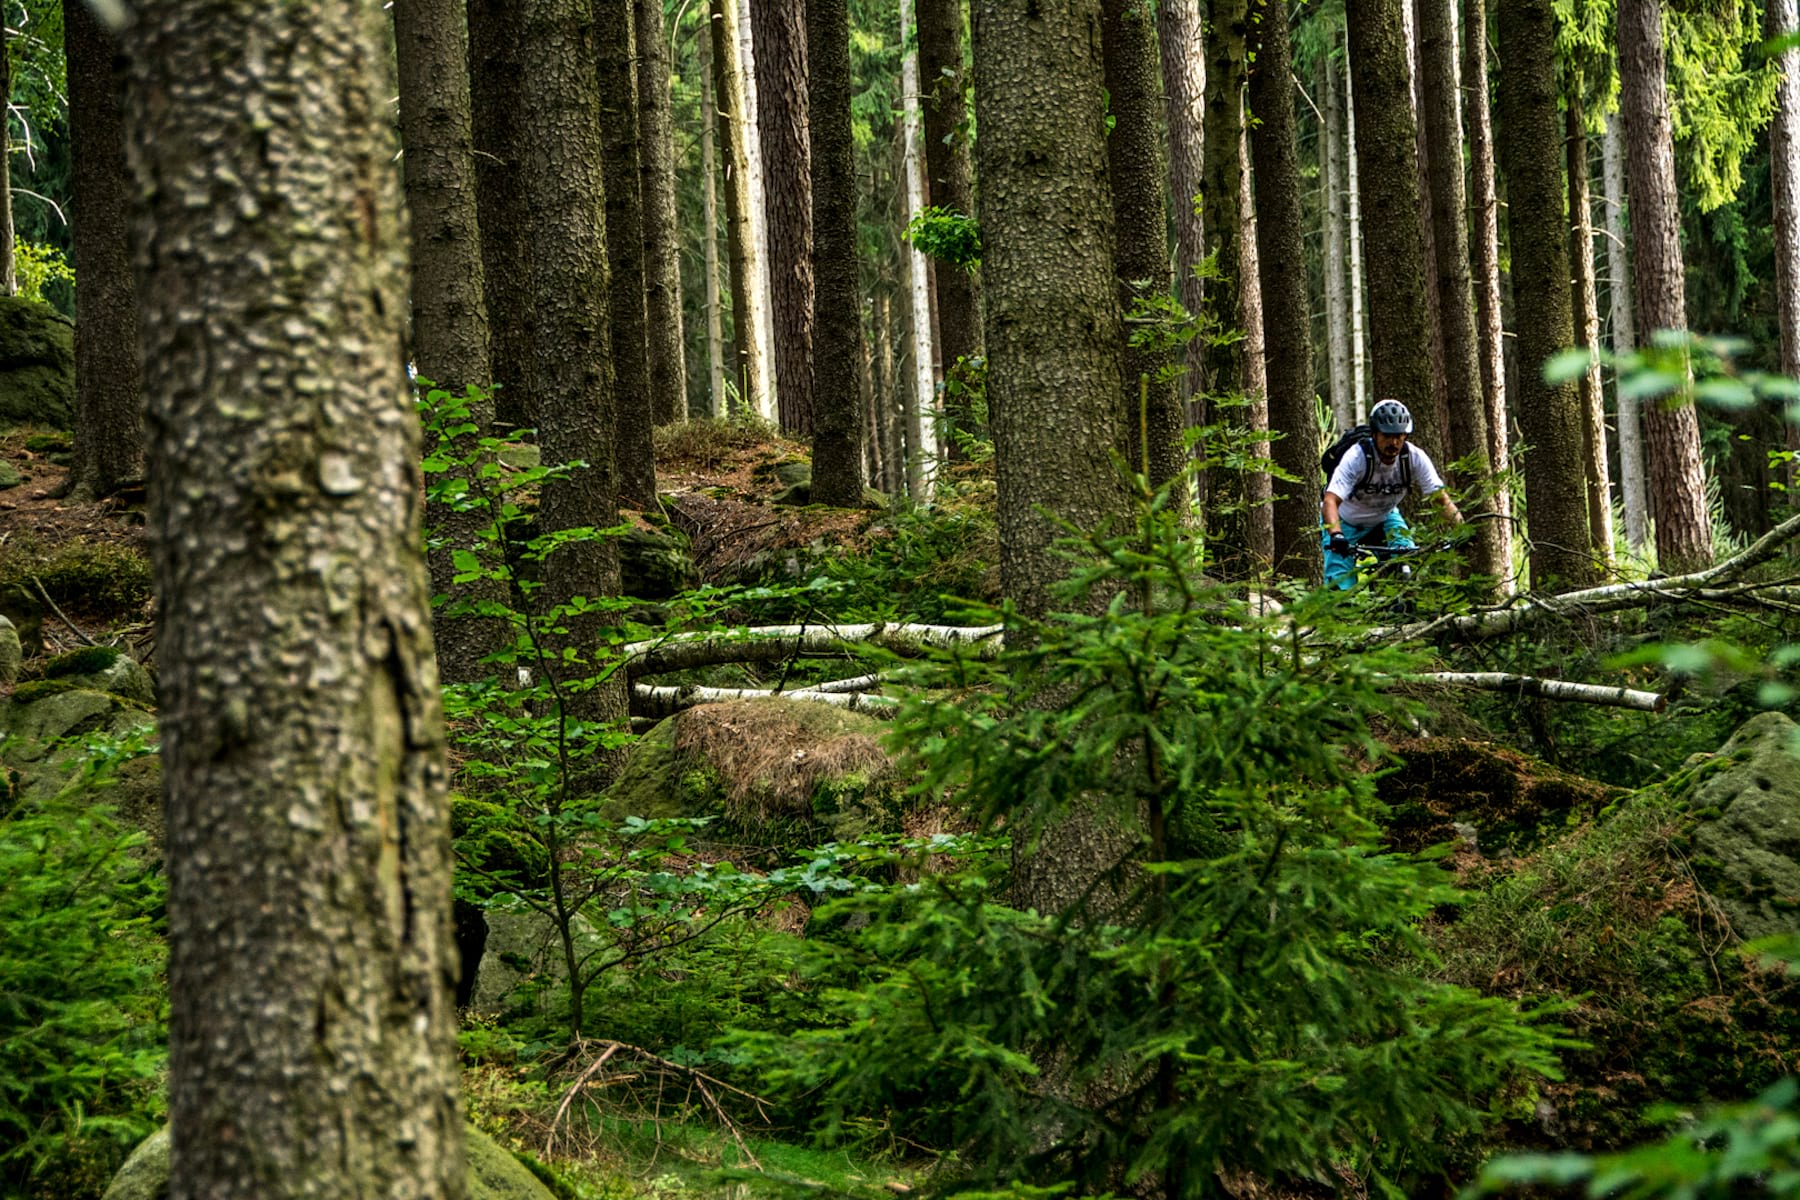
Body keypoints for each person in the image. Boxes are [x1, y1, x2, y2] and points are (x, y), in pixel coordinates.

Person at [1321, 398, 1461, 590]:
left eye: (1399, 436)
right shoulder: (1357, 457)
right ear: (1374, 434)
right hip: (1344, 521)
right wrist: (1336, 535)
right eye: (1387, 436)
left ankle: (1397, 603)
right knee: (1339, 588)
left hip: (1384, 518)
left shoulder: (1414, 458)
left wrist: (1463, 530)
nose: (1393, 443)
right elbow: (1330, 501)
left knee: (1407, 561)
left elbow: (1440, 499)